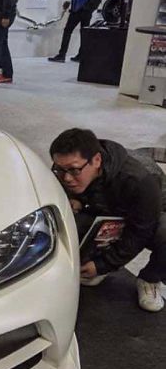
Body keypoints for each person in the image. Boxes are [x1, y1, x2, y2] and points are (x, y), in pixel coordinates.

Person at [49, 128, 165, 312]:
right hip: (109, 206)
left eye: (74, 170)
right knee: (64, 220)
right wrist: (75, 198)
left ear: (96, 160)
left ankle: (150, 279)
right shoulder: (71, 166)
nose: (67, 177)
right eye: (60, 169)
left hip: (148, 213)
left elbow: (140, 232)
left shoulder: (140, 181)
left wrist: (103, 265)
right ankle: (94, 261)